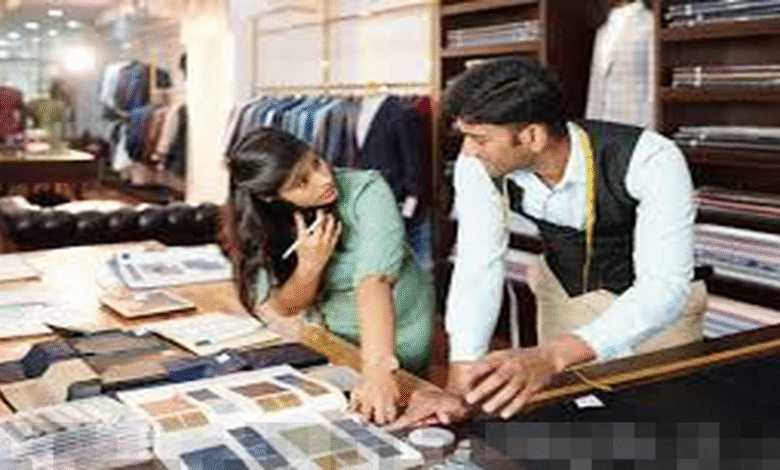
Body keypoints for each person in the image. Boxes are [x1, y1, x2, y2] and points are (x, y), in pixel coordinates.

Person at [392, 58, 706, 428]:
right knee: (570, 424)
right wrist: (460, 385)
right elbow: (478, 264)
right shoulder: (476, 164)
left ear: (532, 137)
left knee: (664, 424)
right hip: (564, 296)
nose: (469, 150)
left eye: (480, 138)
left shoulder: (652, 159)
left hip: (659, 314)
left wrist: (553, 355)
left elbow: (664, 287)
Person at [220, 127, 434, 424]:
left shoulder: (366, 190)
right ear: (271, 197)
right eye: (301, 182)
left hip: (394, 333)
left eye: (316, 162)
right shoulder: (262, 224)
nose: (324, 179)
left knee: (398, 408)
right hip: (330, 337)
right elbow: (286, 307)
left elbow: (375, 281)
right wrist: (310, 265)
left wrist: (377, 370)